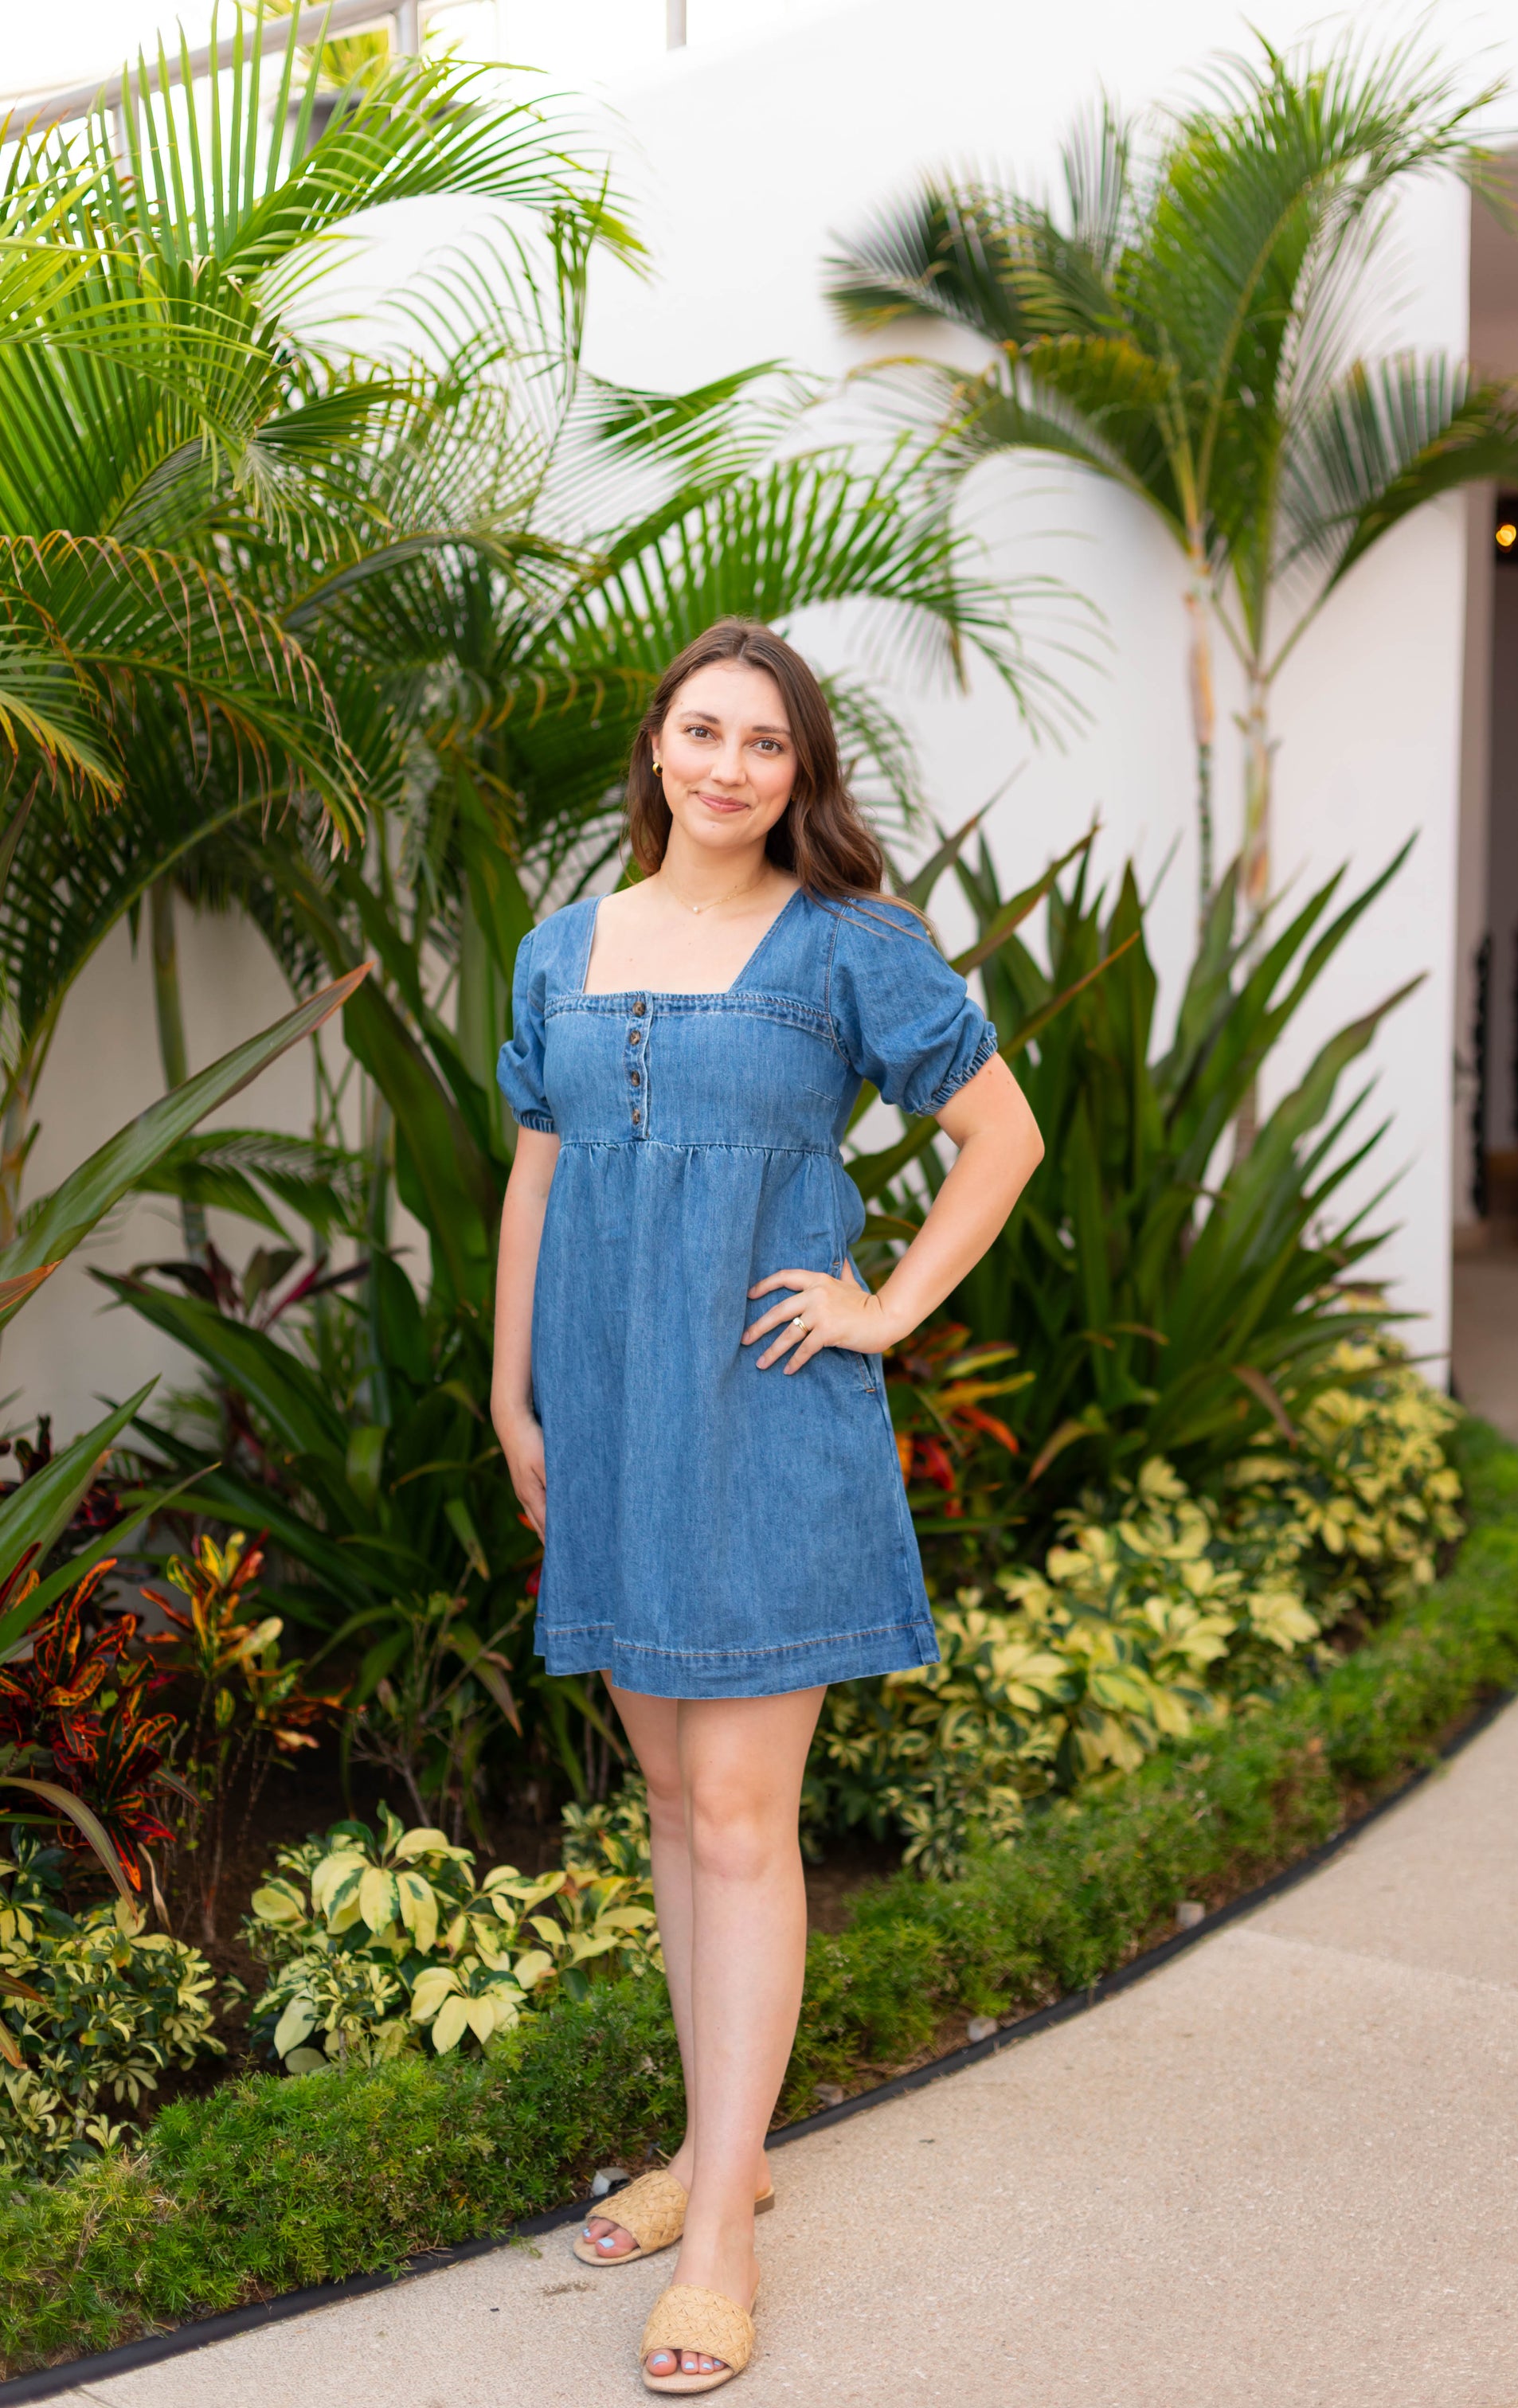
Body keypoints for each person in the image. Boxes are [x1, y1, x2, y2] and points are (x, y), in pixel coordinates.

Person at [491, 620, 1043, 2394]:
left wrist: (883, 1306)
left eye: (767, 746)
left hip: (763, 1417)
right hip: (609, 1420)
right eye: (703, 732)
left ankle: (721, 2224)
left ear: (798, 775)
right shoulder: (559, 950)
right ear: (653, 747)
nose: (731, 767)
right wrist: (517, 1391)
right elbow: (538, 1168)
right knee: (670, 1799)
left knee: (741, 1816)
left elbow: (1002, 1135)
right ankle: (708, 2154)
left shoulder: (848, 949)